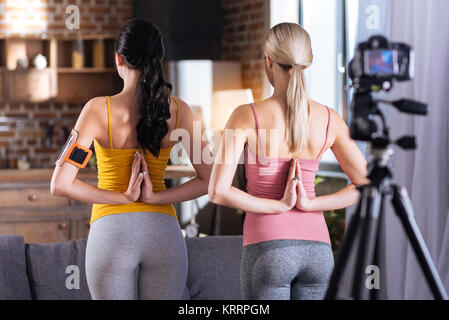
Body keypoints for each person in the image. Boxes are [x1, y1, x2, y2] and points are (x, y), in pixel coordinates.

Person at [51, 19, 211, 300]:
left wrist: (122, 198)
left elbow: (60, 184)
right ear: (158, 58)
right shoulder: (181, 111)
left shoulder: (96, 110)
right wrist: (156, 198)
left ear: (118, 58)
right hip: (163, 235)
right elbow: (211, 180)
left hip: (111, 235)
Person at [208, 23, 369, 300]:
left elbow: (217, 191)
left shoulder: (247, 115)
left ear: (268, 61)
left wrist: (278, 205)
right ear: (308, 62)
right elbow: (366, 184)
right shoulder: (330, 119)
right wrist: (310, 204)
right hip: (318, 253)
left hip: (267, 250)